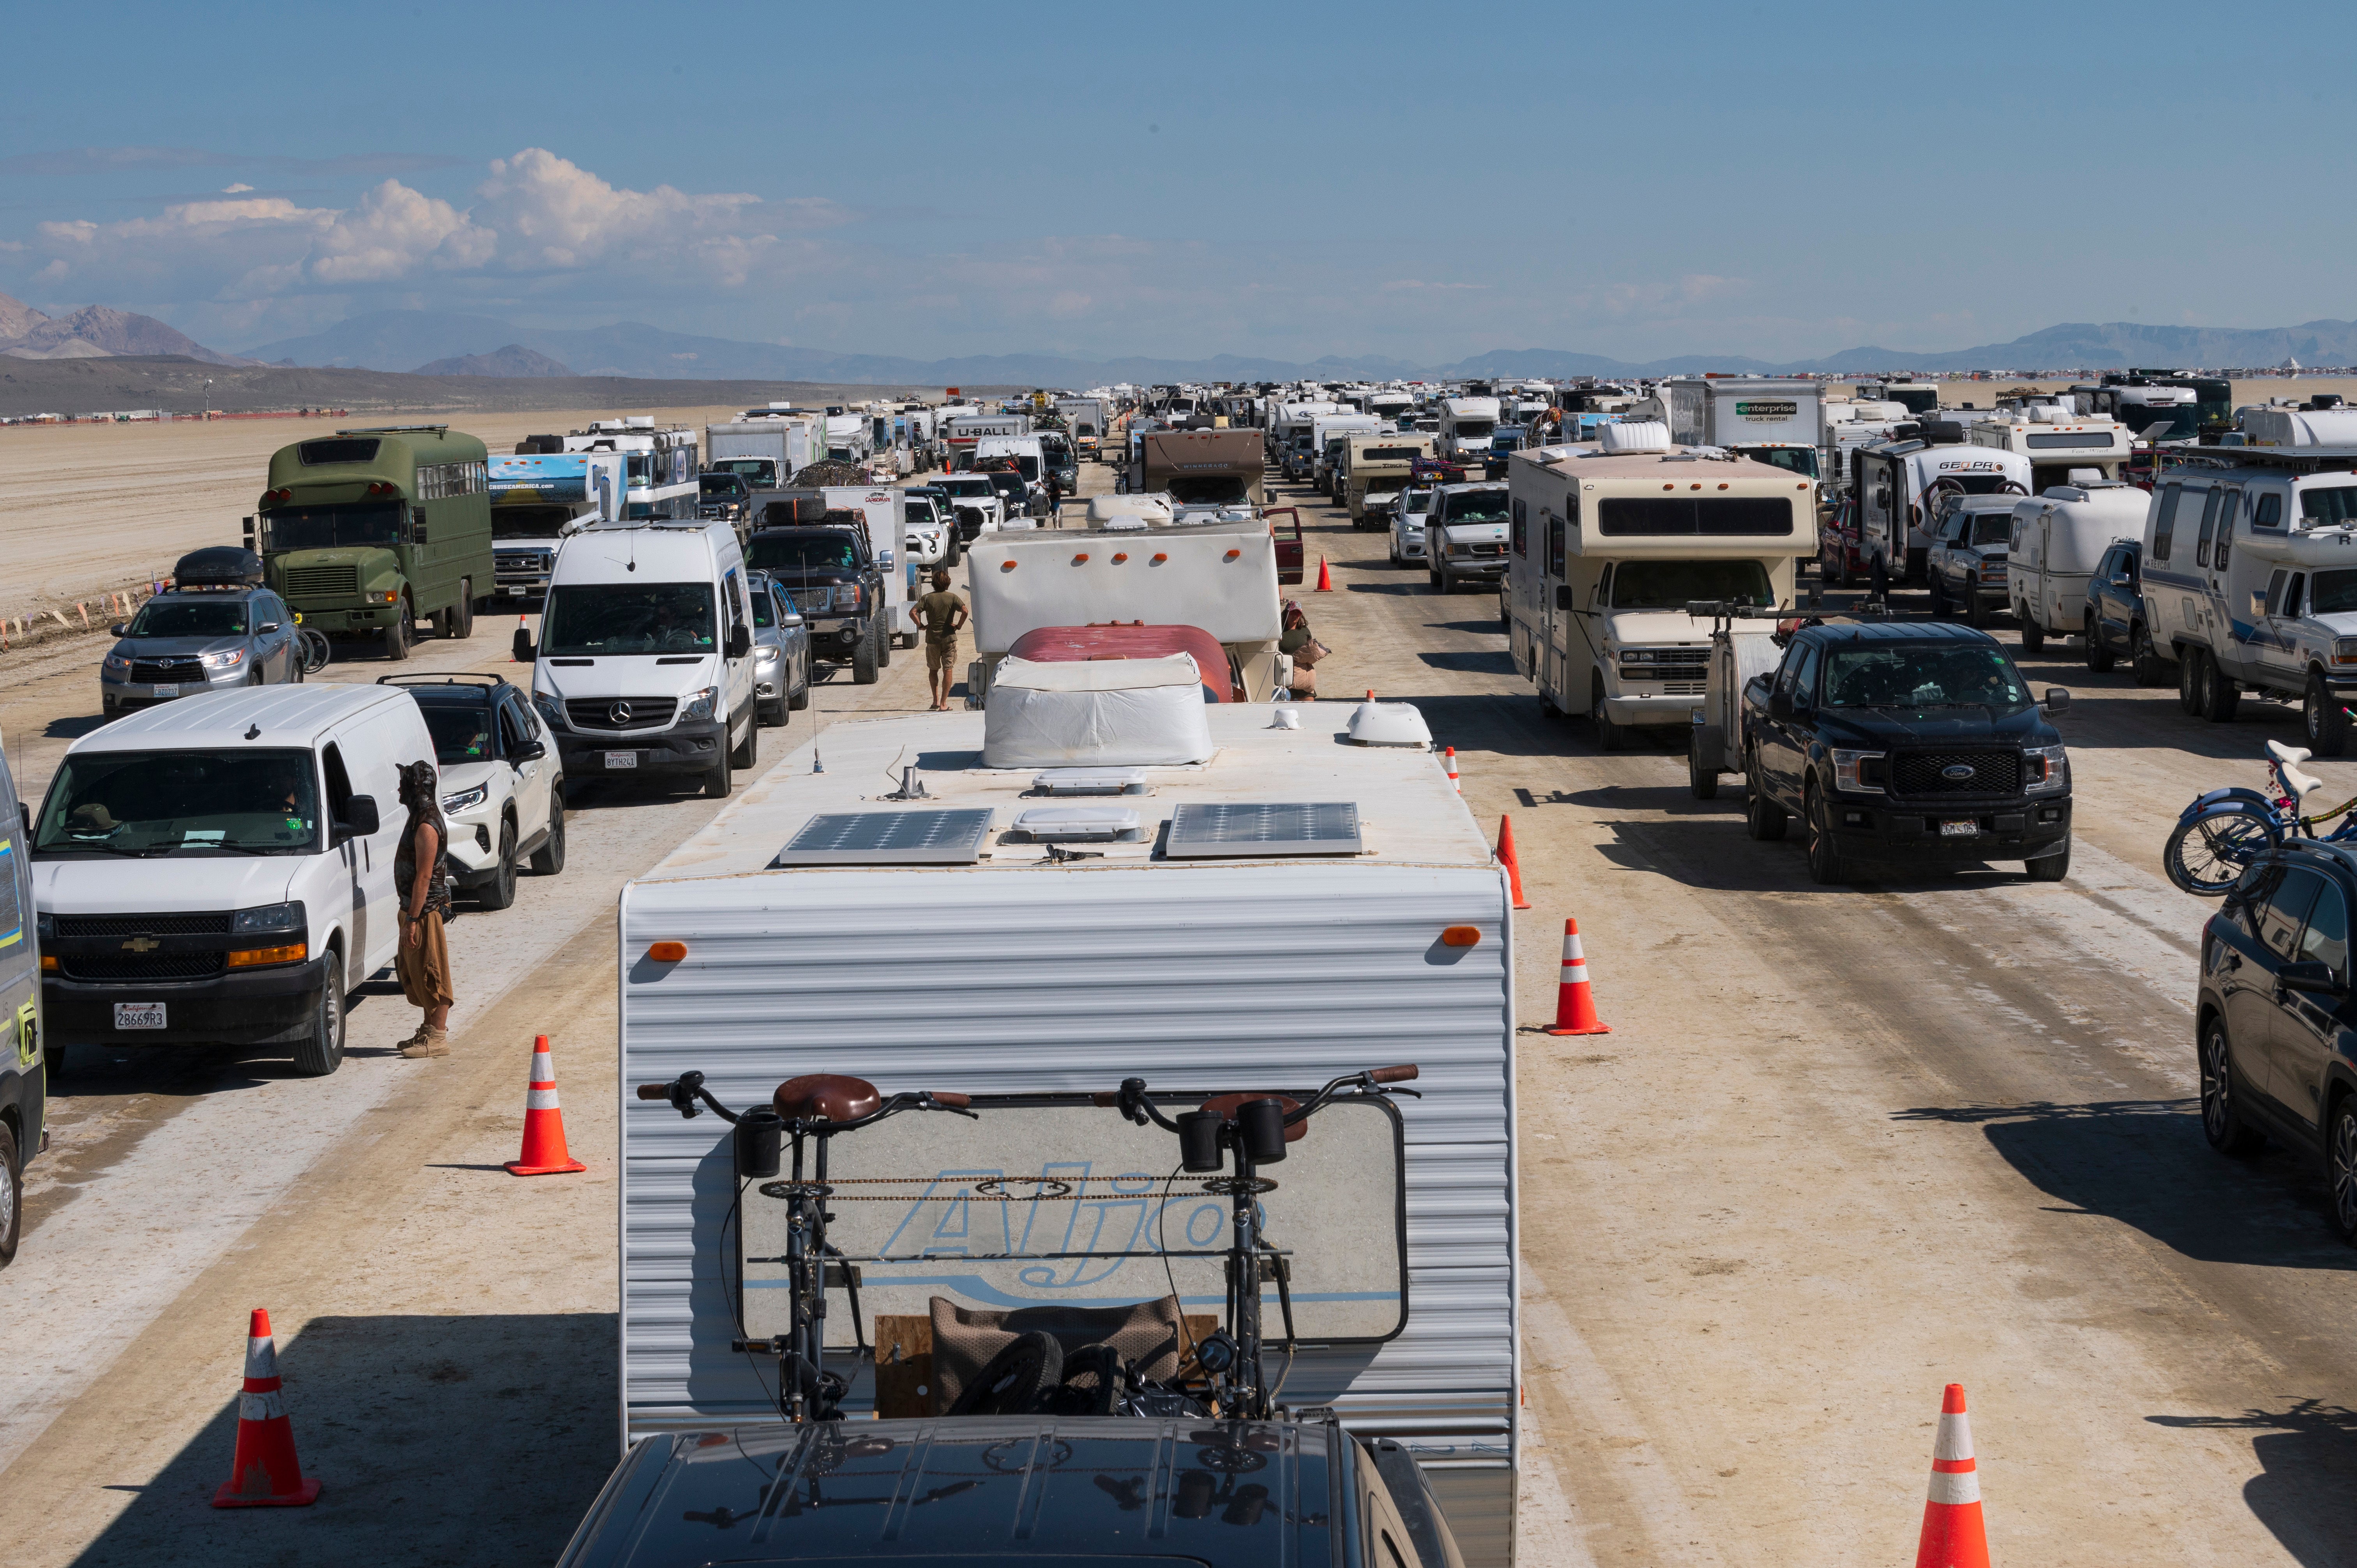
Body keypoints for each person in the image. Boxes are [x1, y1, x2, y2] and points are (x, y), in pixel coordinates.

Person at [393, 759, 454, 1059]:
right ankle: (428, 1029)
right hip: (415, 910)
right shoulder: (419, 818)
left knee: (433, 973)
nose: (399, 789)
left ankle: (438, 1037)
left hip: (426, 913)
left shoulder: (427, 826)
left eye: (404, 784)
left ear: (416, 789)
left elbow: (424, 877)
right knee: (416, 973)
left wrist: (413, 920)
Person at [915, 568, 968, 712]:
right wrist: (959, 626)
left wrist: (921, 626)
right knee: (948, 669)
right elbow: (965, 611)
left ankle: (935, 701)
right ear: (948, 583)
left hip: (932, 639)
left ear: (933, 584)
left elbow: (913, 612)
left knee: (933, 670)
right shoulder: (953, 597)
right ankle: (944, 703)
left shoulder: (927, 598)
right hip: (949, 638)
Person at [1279, 599, 1324, 698]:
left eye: (1298, 613)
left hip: (1304, 676)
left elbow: (1311, 650)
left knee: (1309, 710)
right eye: (1292, 613)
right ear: (1286, 613)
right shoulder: (1279, 631)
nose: (1295, 616)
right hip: (1284, 675)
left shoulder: (1305, 631)